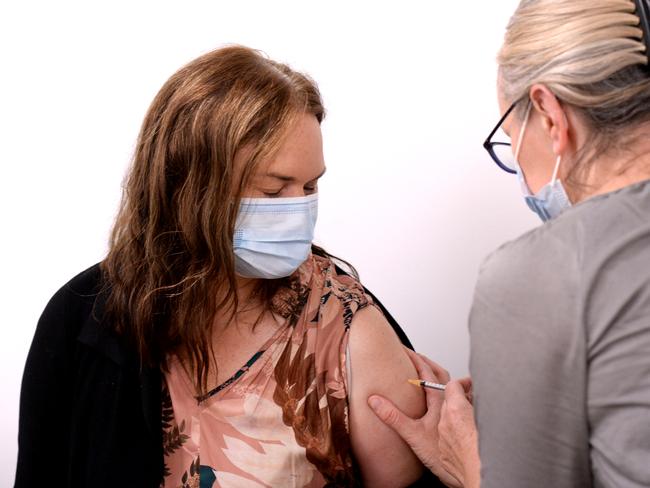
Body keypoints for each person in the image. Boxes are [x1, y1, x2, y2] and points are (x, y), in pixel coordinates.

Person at [15, 46, 434, 488]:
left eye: (311, 186)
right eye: (274, 191)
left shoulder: (344, 326)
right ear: (191, 187)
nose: (300, 211)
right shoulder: (83, 319)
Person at [368, 0, 650, 487]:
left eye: (510, 135)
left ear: (547, 113)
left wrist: (470, 465)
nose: (518, 165)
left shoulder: (541, 273)